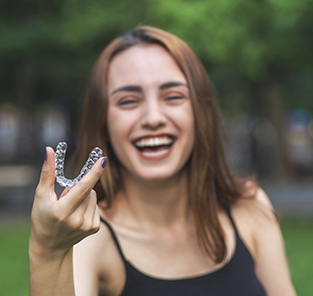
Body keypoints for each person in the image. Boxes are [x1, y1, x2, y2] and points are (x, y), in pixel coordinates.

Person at [29, 26, 297, 296]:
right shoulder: (88, 237)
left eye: (173, 96)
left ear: (200, 111)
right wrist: (49, 253)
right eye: (129, 101)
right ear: (103, 120)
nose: (153, 118)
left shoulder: (250, 207)